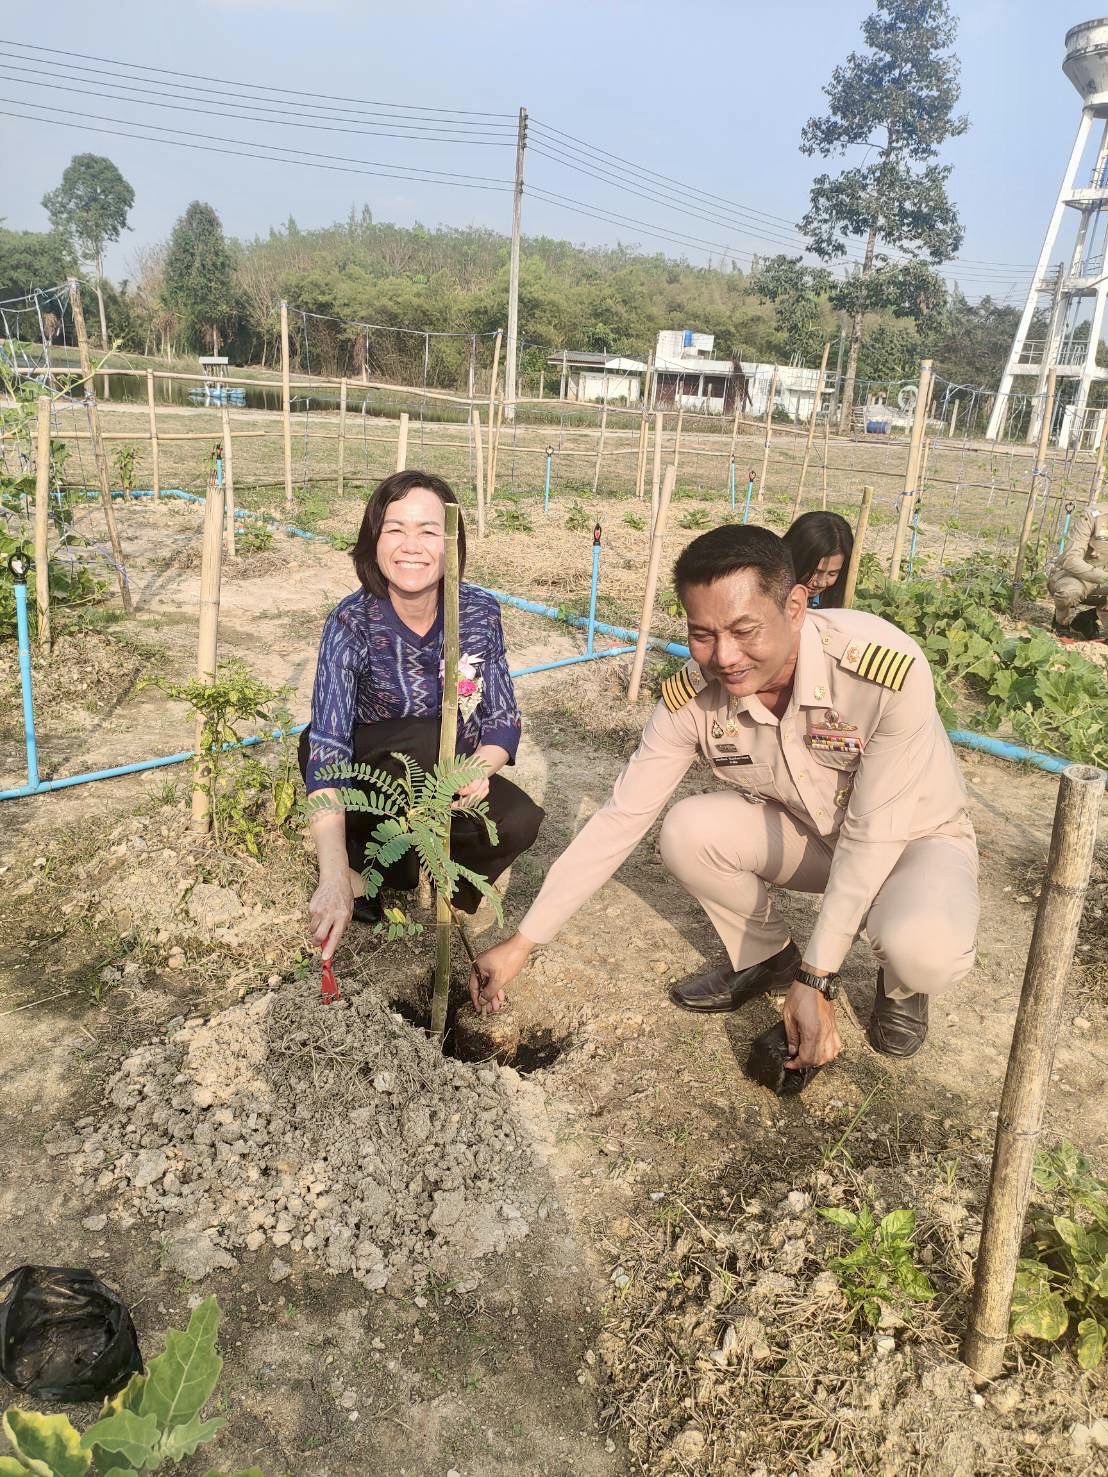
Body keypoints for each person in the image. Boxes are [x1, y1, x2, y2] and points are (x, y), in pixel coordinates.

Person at [470, 525, 979, 1076]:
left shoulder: (881, 670)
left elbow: (873, 834)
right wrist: (523, 941)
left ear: (796, 606)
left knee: (920, 947)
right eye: (703, 634)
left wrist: (818, 978)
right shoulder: (693, 695)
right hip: (816, 835)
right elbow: (622, 817)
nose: (726, 657)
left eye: (744, 630)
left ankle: (901, 985)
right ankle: (766, 955)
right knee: (687, 831)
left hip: (914, 839)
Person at [301, 469, 544, 960]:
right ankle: (358, 871)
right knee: (420, 740)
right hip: (369, 770)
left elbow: (503, 716)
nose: (411, 545)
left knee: (518, 820)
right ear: (373, 540)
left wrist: (482, 767)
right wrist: (329, 877)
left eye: (429, 530)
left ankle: (429, 874)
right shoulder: (352, 621)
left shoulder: (478, 611)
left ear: (453, 542)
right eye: (395, 529)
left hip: (448, 773)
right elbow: (327, 746)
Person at [1048, 502, 1108, 642]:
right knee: (1068, 592)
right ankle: (1061, 624)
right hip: (1080, 577)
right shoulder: (1093, 516)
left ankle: (1087, 619)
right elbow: (1070, 560)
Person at [783, 511, 854, 609]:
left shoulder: (830, 600)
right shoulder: (768, 596)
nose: (821, 583)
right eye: (816, 571)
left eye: (832, 574)